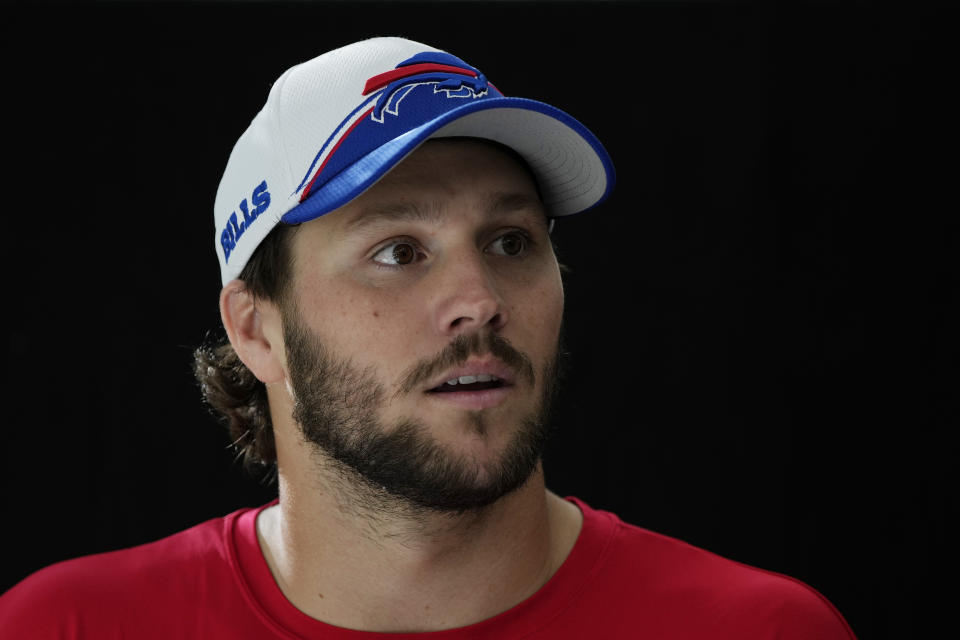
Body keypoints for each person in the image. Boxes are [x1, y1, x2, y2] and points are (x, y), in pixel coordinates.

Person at [0, 37, 856, 639]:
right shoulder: (67, 629)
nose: (478, 301)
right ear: (258, 331)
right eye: (398, 251)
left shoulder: (758, 630)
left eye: (511, 242)